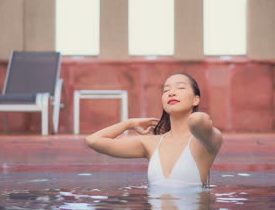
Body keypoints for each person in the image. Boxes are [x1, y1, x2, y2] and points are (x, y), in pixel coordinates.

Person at [85, 73, 223, 188]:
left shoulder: (206, 142)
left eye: (180, 88)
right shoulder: (151, 144)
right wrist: (129, 123)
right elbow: (93, 141)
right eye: (166, 90)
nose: (171, 93)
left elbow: (197, 120)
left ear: (196, 99)